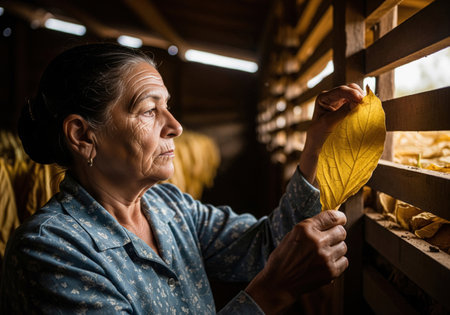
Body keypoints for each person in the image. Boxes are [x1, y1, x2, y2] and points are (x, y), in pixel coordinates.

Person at [0, 43, 364, 314]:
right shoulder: (51, 251)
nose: (175, 126)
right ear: (82, 135)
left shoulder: (168, 206)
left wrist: (316, 144)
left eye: (168, 106)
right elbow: (278, 268)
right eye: (148, 110)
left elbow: (270, 245)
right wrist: (273, 292)